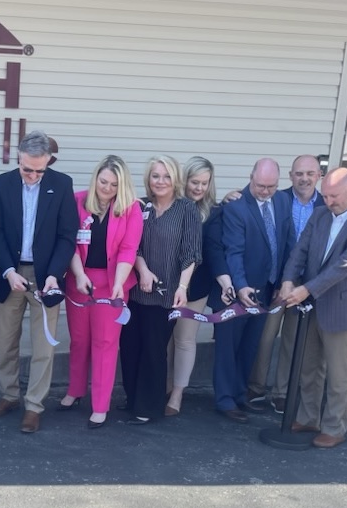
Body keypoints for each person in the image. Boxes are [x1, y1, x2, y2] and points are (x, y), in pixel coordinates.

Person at [280, 167, 347, 448]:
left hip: (342, 307)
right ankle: (309, 417)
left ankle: (335, 428)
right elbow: (299, 251)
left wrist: (306, 289)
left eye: (334, 196)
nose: (328, 202)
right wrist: (289, 280)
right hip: (311, 305)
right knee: (309, 368)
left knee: (339, 375)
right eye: (324, 196)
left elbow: (345, 266)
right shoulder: (319, 214)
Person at [0, 130, 77, 434]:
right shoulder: (2, 184)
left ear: (48, 162)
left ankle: (34, 405)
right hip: (10, 275)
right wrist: (8, 270)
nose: (34, 176)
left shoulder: (61, 184)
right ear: (19, 159)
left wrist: (55, 273)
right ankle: (9, 395)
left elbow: (67, 235)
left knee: (43, 346)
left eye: (40, 170)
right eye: (27, 169)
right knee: (5, 341)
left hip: (44, 277)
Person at [59, 155, 143, 428]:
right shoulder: (77, 200)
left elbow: (128, 249)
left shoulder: (130, 209)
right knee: (79, 340)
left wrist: (119, 282)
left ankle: (100, 405)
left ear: (122, 186)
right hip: (80, 280)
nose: (106, 188)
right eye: (103, 181)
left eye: (113, 184)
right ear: (95, 178)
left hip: (112, 283)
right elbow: (68, 241)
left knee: (105, 344)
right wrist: (79, 274)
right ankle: (75, 389)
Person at [211, 158, 295, 424]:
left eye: (271, 186)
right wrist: (240, 285)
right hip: (236, 290)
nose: (265, 191)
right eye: (260, 185)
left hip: (268, 288)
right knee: (228, 347)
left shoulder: (282, 201)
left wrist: (284, 280)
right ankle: (224, 400)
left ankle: (238, 394)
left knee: (250, 346)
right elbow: (233, 251)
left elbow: (287, 242)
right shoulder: (236, 207)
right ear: (251, 178)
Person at [119, 155, 201, 425]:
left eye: (166, 176)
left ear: (175, 179)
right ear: (148, 179)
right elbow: (132, 245)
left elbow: (191, 253)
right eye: (156, 176)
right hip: (135, 290)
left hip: (166, 293)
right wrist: (142, 270)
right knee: (130, 347)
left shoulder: (187, 209)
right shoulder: (139, 207)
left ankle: (148, 406)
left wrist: (183, 287)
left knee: (154, 349)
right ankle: (132, 400)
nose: (161, 181)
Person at [247, 155, 324, 412]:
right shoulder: (277, 198)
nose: (304, 178)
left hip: (307, 283)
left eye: (310, 174)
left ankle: (281, 393)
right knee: (265, 335)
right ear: (290, 176)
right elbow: (251, 198)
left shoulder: (326, 205)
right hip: (277, 280)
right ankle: (256, 387)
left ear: (318, 176)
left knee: (292, 339)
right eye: (299, 173)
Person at [165, 157, 231, 415]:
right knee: (164, 340)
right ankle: (165, 384)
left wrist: (224, 282)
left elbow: (214, 251)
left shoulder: (214, 213)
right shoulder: (169, 205)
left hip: (196, 286)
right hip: (165, 284)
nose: (199, 188)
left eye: (205, 183)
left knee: (184, 339)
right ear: (184, 180)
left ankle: (178, 394)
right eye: (195, 182)